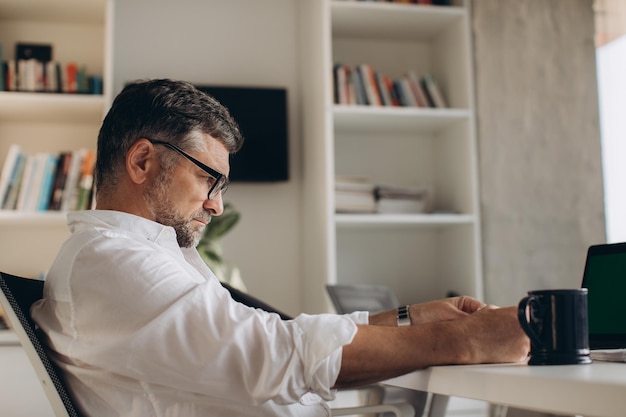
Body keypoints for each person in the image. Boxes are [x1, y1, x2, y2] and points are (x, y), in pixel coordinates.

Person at [31, 79, 529, 417]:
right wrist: (466, 340)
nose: (216, 206)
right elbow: (273, 354)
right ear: (142, 161)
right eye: (208, 179)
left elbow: (272, 336)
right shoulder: (111, 261)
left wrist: (409, 318)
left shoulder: (142, 258)